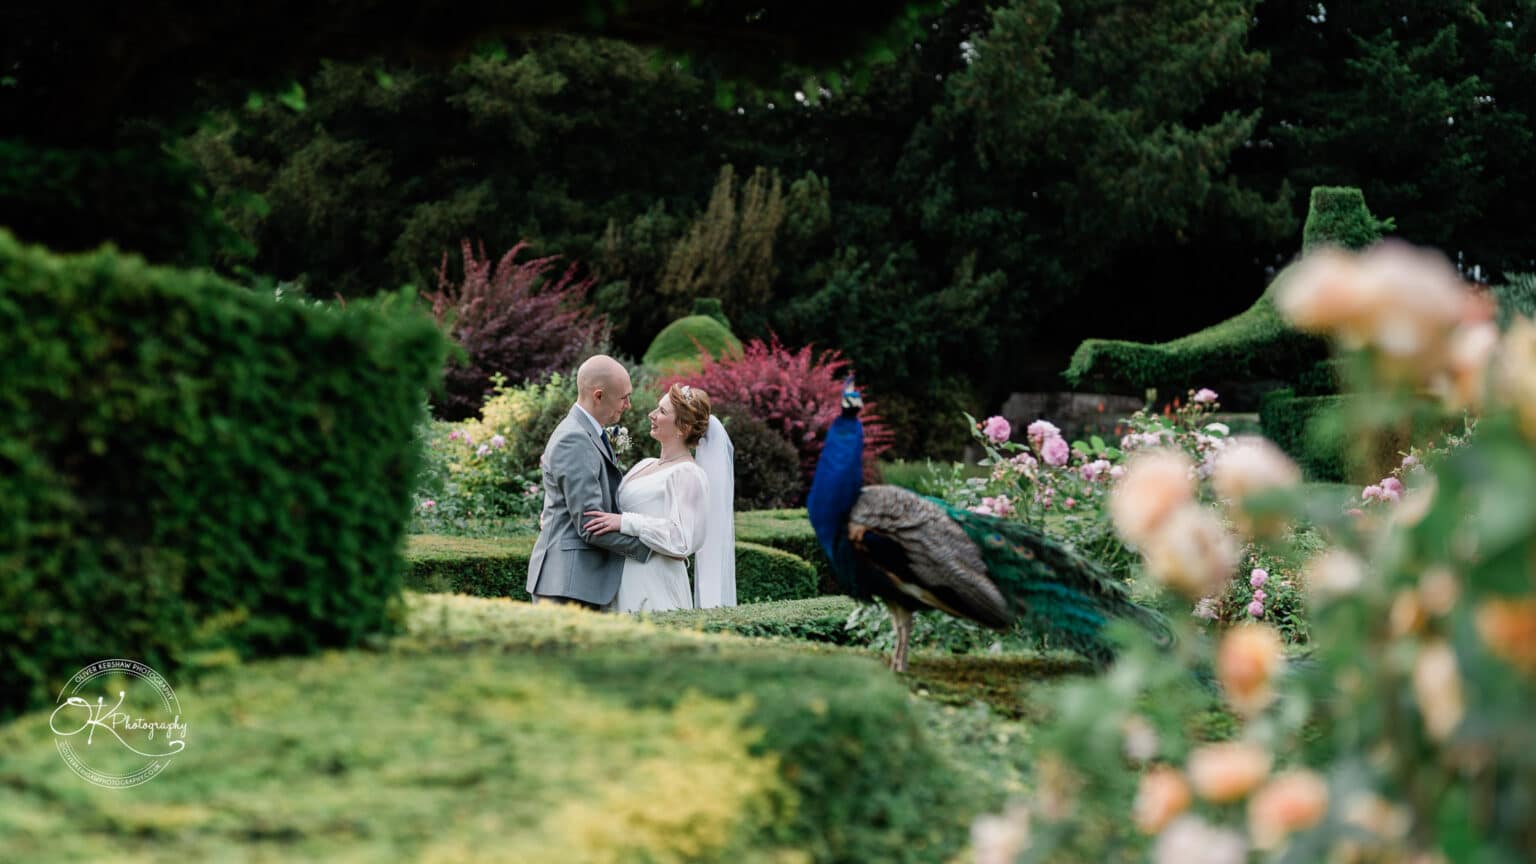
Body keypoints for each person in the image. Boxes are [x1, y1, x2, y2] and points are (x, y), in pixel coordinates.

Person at [583, 383, 736, 612]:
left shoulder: (689, 474)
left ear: (682, 427)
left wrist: (626, 522)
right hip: (619, 575)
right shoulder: (645, 465)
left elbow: (682, 539)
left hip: (655, 581)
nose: (651, 415)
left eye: (662, 412)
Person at [525, 355, 653, 609]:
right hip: (568, 586)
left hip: (579, 582)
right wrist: (653, 547)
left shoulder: (586, 432)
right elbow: (590, 524)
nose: (628, 405)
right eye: (623, 397)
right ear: (598, 395)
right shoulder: (574, 438)